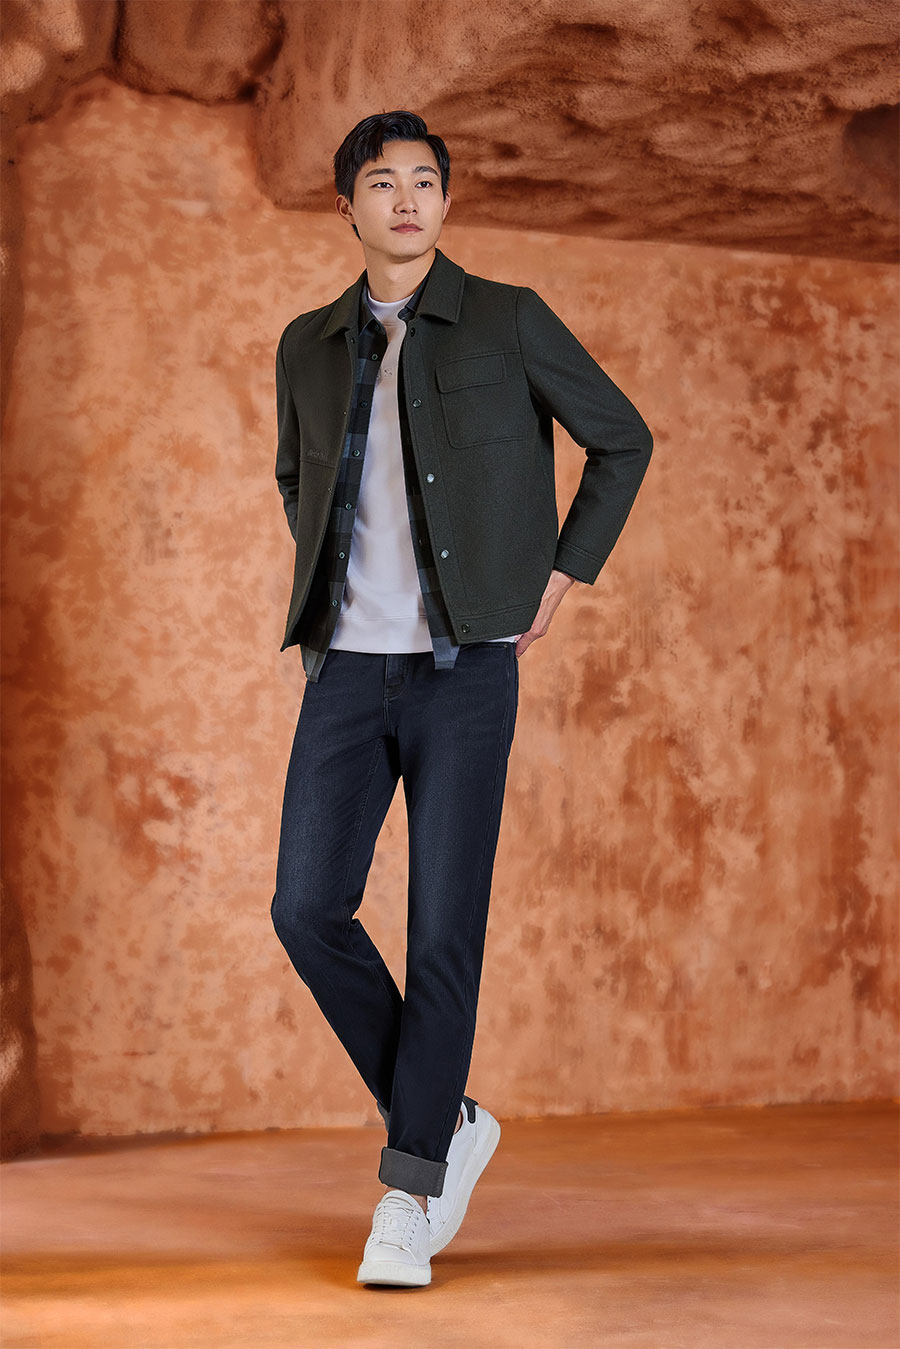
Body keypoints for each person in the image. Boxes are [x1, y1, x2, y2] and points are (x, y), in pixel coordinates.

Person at [269, 110, 653, 1288]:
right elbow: (296, 475)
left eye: (424, 181)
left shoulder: (507, 317)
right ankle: (448, 1118)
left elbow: (622, 440)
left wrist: (560, 574)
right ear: (347, 205)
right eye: (382, 183)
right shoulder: (307, 343)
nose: (405, 200)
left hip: (465, 673)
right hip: (345, 670)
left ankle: (411, 1187)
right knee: (306, 907)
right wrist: (335, 588)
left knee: (444, 927)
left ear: (446, 200)